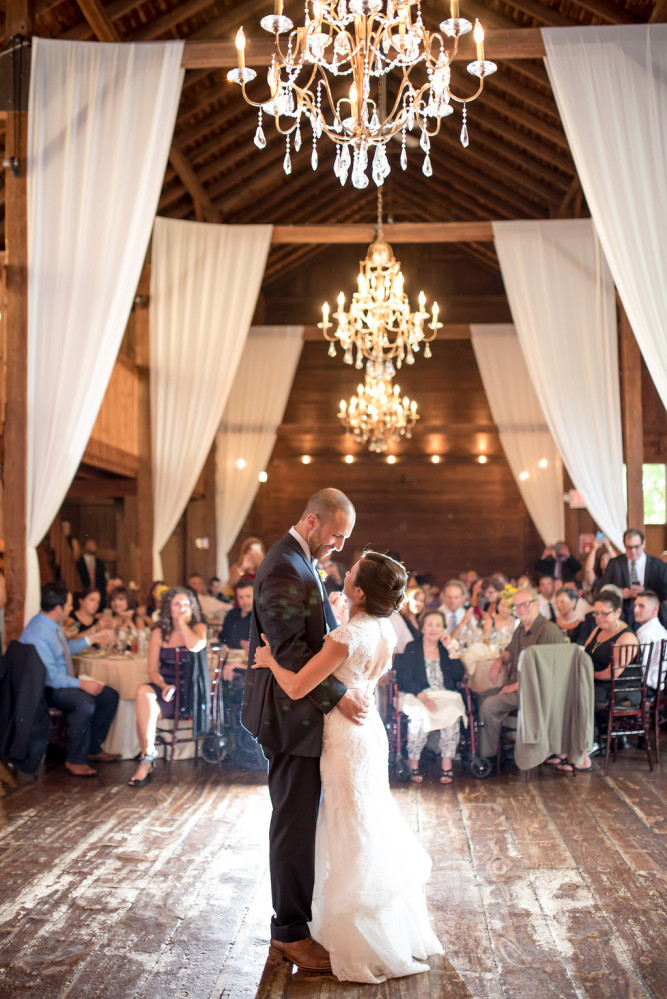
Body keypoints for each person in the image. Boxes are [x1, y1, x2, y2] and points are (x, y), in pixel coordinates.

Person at [252, 551, 443, 983]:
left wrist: (271, 662)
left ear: (358, 591)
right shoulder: (383, 630)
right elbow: (363, 671)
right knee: (365, 821)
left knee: (344, 827)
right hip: (369, 731)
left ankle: (354, 934)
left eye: (352, 571)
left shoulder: (346, 638)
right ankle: (384, 927)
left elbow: (300, 684)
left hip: (343, 736)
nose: (345, 570)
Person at [242, 488, 367, 974]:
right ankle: (290, 933)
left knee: (298, 821)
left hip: (297, 713)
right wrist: (340, 695)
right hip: (288, 718)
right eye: (337, 535)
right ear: (313, 522)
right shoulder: (283, 568)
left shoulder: (298, 560)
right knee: (293, 825)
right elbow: (292, 653)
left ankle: (295, 923)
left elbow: (309, 635)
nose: (338, 546)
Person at [19, 582, 117, 776]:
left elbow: (64, 652)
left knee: (109, 695)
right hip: (45, 689)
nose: (72, 608)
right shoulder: (38, 633)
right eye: (70, 604)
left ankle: (93, 750)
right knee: (85, 702)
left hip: (60, 681)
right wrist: (82, 684)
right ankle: (75, 760)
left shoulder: (51, 624)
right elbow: (52, 678)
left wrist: (91, 639)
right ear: (58, 608)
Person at [127, 587, 209, 787]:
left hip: (189, 692)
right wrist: (163, 686)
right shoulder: (158, 632)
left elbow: (195, 646)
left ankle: (146, 762)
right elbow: (153, 670)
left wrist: (181, 623)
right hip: (166, 689)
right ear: (168, 608)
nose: (182, 608)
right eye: (177, 604)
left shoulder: (199, 628)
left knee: (144, 713)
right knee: (142, 693)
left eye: (186, 604)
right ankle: (148, 754)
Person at [477, 586, 566, 764]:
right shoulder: (523, 627)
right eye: (517, 606)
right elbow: (510, 651)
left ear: (537, 604)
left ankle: (489, 757)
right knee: (481, 696)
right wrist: (499, 661)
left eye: (526, 604)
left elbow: (546, 673)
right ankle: (501, 748)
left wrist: (515, 686)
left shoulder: (547, 630)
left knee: (490, 704)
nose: (521, 608)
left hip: (535, 692)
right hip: (519, 688)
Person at [395, 610, 466, 785]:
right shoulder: (413, 647)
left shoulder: (445, 648)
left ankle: (446, 764)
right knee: (419, 716)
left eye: (438, 625)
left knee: (453, 713)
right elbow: (405, 678)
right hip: (416, 694)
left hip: (444, 694)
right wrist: (424, 698)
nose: (434, 629)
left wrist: (451, 650)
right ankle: (414, 764)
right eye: (430, 624)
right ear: (423, 628)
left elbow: (458, 676)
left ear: (443, 628)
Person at [600, 529, 667, 627]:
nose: (633, 551)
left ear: (643, 543)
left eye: (636, 547)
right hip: (622, 616)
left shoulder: (659, 565)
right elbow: (603, 589)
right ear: (624, 545)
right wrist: (620, 592)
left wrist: (645, 591)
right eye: (629, 547)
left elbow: (664, 592)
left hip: (650, 616)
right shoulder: (614, 564)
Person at [633, 590, 667, 692]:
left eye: (641, 606)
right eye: (635, 606)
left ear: (655, 609)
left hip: (644, 687)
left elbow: (640, 669)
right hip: (656, 685)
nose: (636, 610)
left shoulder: (647, 634)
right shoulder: (661, 630)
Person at [219, 580, 253, 651]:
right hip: (231, 657)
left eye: (248, 596)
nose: (245, 601)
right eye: (241, 597)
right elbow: (222, 637)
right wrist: (240, 642)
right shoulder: (232, 613)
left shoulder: (260, 617)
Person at [76, 538, 107, 608]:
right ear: (85, 546)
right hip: (83, 592)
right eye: (91, 545)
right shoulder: (79, 562)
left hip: (98, 593)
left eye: (94, 545)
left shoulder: (100, 562)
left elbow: (103, 579)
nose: (93, 546)